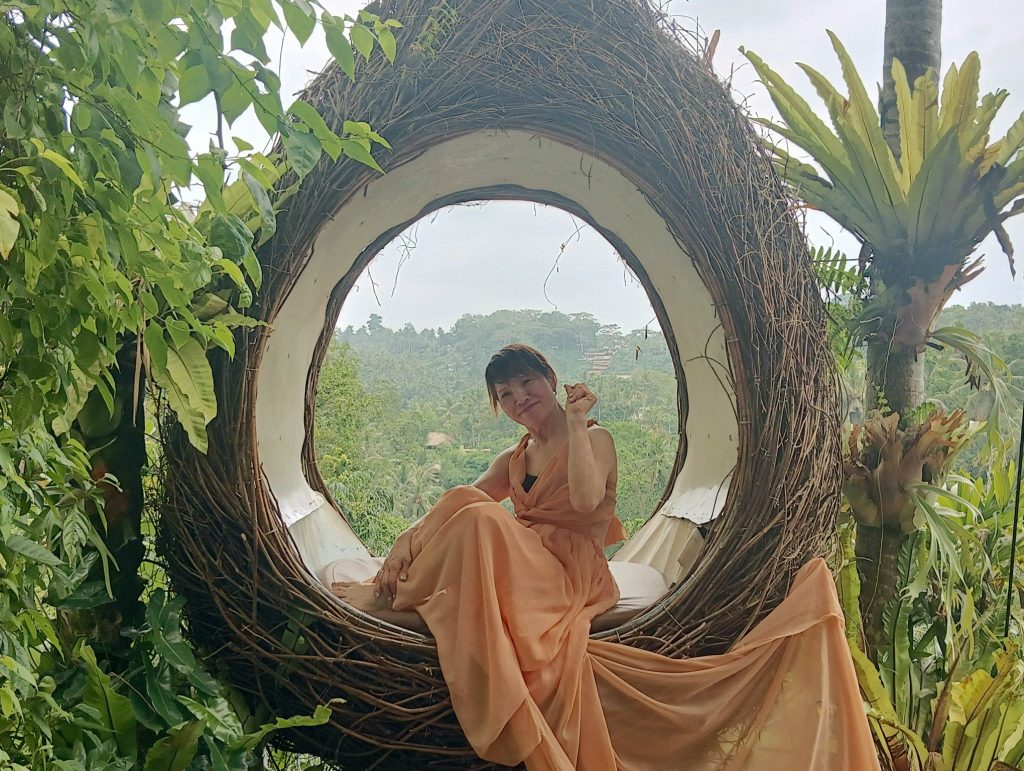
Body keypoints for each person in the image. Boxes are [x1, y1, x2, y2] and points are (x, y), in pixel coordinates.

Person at [332, 344, 880, 771]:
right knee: (465, 503)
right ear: (500, 406)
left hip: (570, 571)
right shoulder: (513, 456)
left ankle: (401, 597)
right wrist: (406, 540)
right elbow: (458, 502)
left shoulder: (596, 439)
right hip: (525, 559)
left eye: (527, 382)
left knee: (477, 517)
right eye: (505, 393)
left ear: (550, 379)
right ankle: (398, 582)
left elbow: (586, 501)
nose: (520, 397)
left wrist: (574, 423)